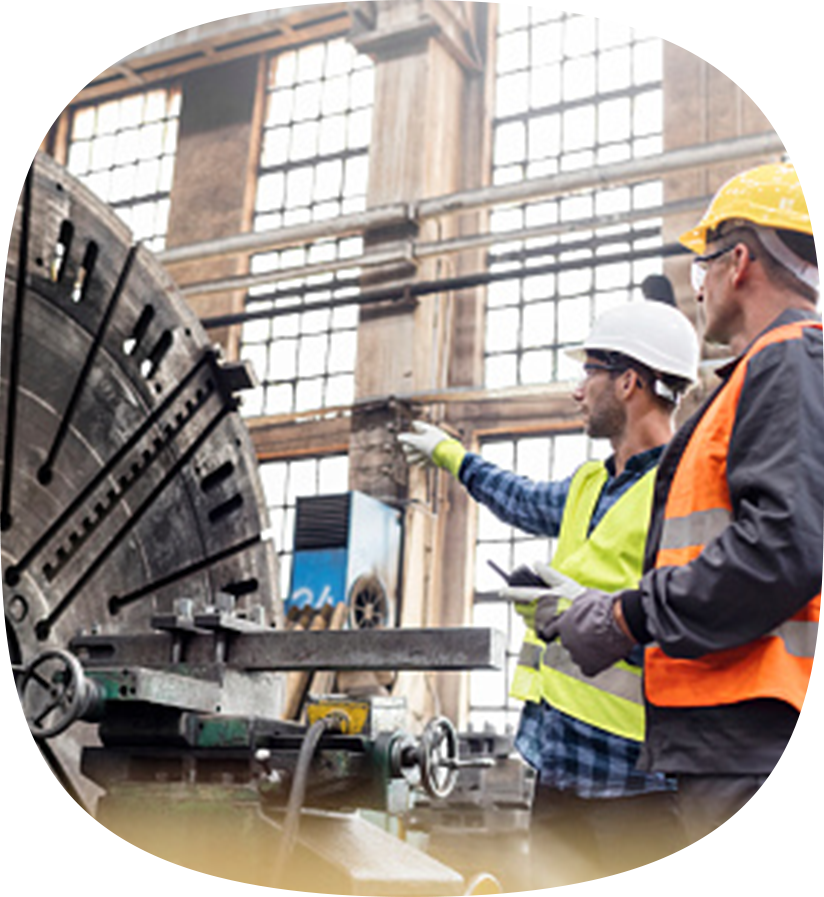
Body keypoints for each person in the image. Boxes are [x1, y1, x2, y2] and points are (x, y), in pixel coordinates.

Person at [536, 162, 823, 845]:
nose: (701, 290)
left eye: (705, 267)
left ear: (740, 260)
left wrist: (627, 613)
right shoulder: (763, 373)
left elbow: (783, 545)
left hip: (751, 731)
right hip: (723, 731)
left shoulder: (789, 362)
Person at [398, 300, 700, 886]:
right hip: (557, 763)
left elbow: (700, 616)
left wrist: (586, 614)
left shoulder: (689, 488)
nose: (577, 391)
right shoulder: (592, 481)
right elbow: (521, 499)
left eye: (589, 371)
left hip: (637, 782)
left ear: (629, 381)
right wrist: (450, 455)